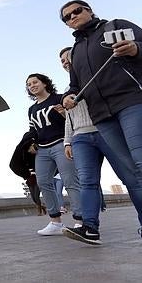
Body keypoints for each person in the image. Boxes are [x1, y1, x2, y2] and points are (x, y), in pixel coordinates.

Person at [59, 44, 142, 244]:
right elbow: (69, 119)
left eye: (68, 57)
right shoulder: (69, 90)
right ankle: (90, 228)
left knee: (130, 178)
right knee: (87, 181)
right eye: (62, 61)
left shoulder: (99, 79)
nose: (66, 62)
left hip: (106, 131)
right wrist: (67, 141)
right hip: (80, 137)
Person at [26, 73, 82, 236]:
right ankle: (55, 222)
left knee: (70, 181)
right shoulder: (32, 109)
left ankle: (80, 221)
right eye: (29, 85)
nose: (32, 86)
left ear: (45, 83)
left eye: (35, 82)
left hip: (61, 143)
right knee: (43, 182)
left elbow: (73, 119)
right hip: (42, 149)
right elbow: (32, 130)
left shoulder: (59, 98)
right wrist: (31, 143)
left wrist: (65, 115)